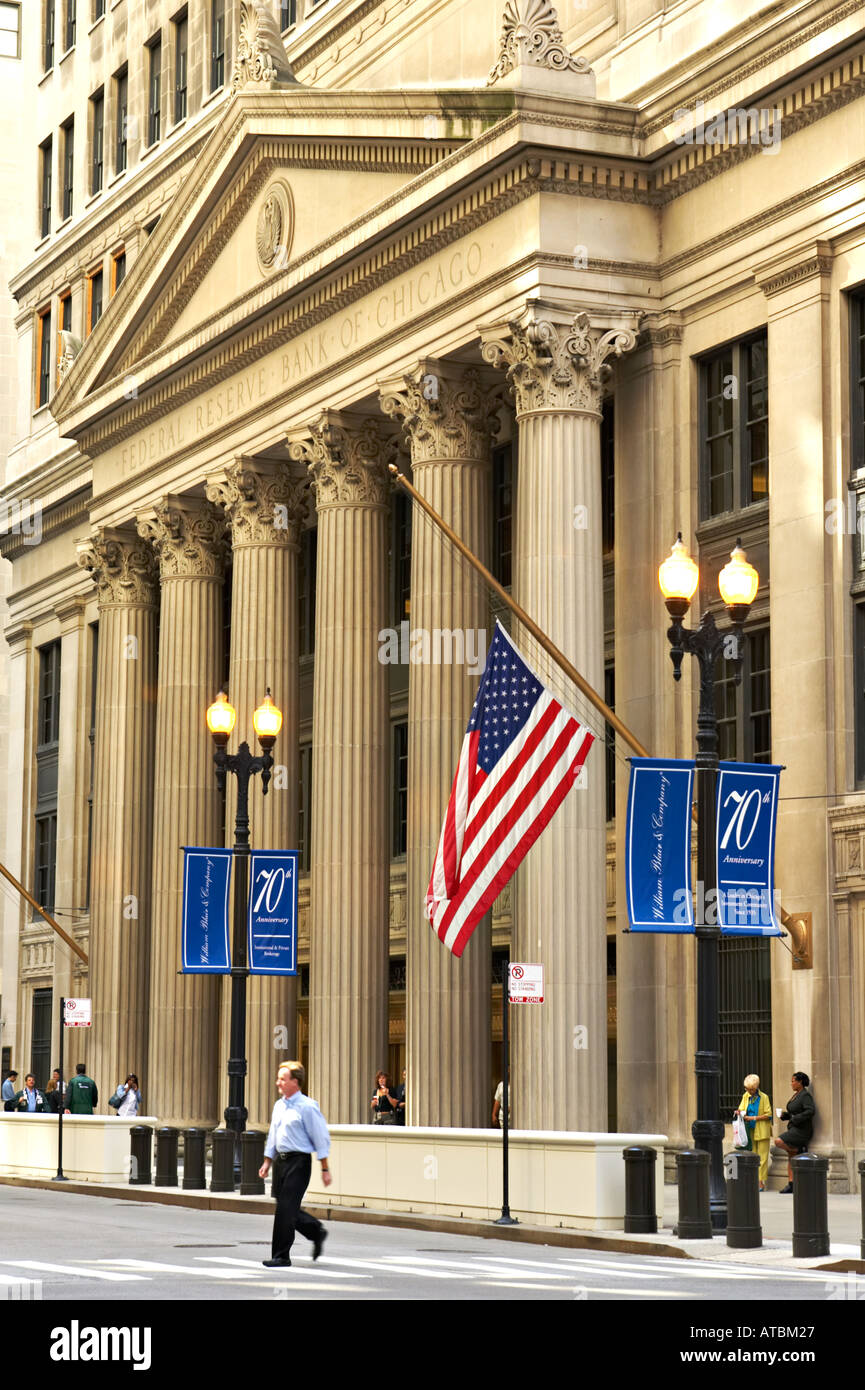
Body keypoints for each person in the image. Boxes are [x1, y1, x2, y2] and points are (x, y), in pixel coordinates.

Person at [258, 1061, 332, 1268]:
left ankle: (281, 1256)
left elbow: (320, 1137)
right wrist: (267, 1161)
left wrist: (325, 1168)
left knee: (286, 1208)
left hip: (299, 1163)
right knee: (286, 1208)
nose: (278, 1083)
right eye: (278, 1078)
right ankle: (316, 1231)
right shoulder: (279, 1105)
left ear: (295, 1082)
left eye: (283, 1079)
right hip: (281, 1163)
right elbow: (273, 1135)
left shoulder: (307, 1107)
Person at [774, 1071, 815, 1192]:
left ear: (800, 1082)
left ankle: (799, 1149)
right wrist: (785, 1116)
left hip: (802, 1130)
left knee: (778, 1141)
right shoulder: (796, 1095)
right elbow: (794, 1112)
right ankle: (791, 1184)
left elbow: (810, 1111)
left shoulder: (805, 1096)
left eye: (793, 1081)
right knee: (791, 1156)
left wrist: (795, 1118)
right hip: (793, 1128)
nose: (791, 1083)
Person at [734, 1073, 772, 1190]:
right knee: (753, 1156)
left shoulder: (764, 1097)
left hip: (762, 1130)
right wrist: (738, 1112)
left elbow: (768, 1114)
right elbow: (741, 1108)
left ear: (756, 1088)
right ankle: (754, 1180)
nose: (749, 1091)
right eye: (747, 1089)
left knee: (763, 1157)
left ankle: (761, 1182)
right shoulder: (745, 1096)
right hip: (749, 1129)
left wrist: (753, 1118)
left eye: (751, 1089)